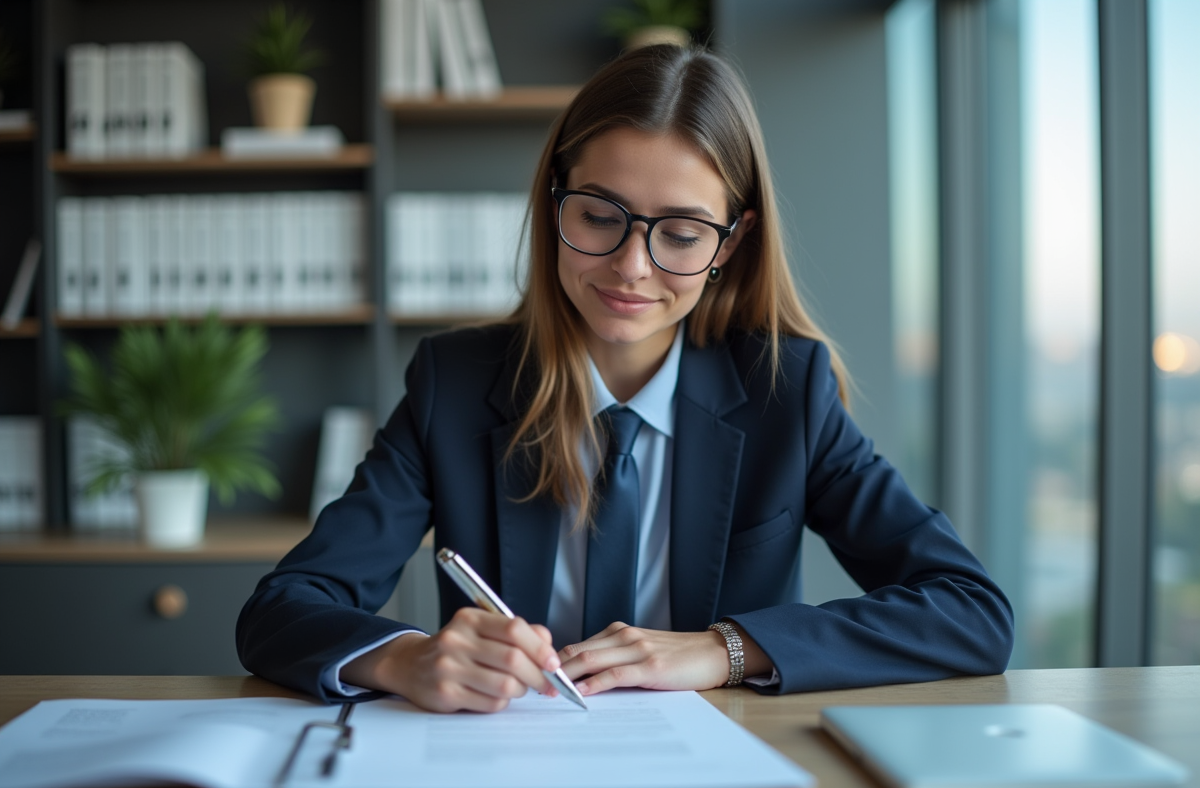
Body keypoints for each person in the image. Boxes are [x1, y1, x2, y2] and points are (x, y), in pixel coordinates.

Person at [236, 44, 1014, 713]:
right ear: (553, 206)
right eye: (601, 217)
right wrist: (402, 659)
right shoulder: (455, 383)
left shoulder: (787, 392)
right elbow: (281, 610)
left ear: (731, 244)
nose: (632, 268)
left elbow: (970, 611)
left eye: (680, 232)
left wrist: (727, 650)